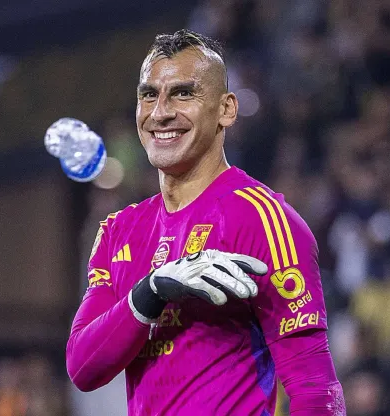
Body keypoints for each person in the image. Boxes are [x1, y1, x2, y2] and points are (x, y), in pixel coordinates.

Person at [66, 29, 345, 416]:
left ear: (226, 109)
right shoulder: (118, 231)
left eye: (183, 93)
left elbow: (315, 391)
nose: (160, 112)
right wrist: (150, 292)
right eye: (149, 94)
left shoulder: (266, 221)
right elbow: (84, 366)